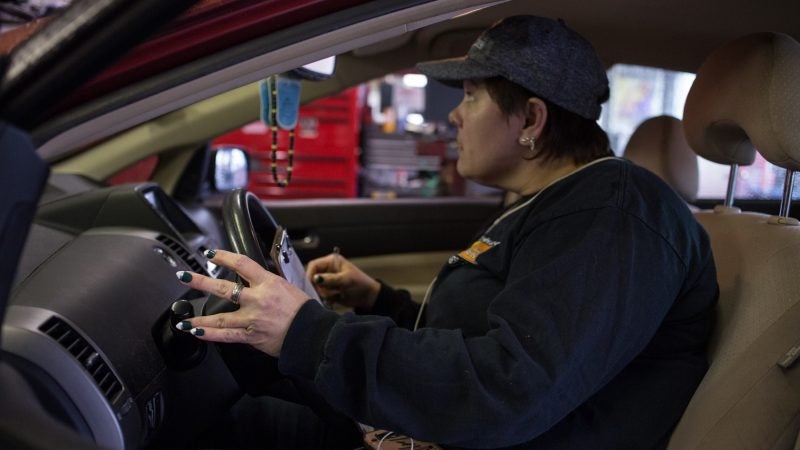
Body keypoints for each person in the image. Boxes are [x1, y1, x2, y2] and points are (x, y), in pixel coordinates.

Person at [175, 15, 718, 449]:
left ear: (530, 121)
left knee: (232, 425)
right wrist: (383, 302)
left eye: (471, 96)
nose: (455, 116)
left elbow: (509, 390)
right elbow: (504, 338)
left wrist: (309, 333)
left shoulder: (614, 215)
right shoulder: (557, 205)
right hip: (437, 430)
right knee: (240, 411)